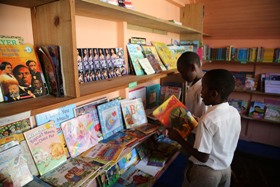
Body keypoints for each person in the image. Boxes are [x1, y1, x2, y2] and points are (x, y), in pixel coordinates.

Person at [166, 69, 241, 187]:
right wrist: (198, 121)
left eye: (203, 88)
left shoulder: (208, 119)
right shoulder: (234, 112)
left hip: (206, 173)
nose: (201, 93)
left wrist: (178, 138)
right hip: (226, 168)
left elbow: (202, 157)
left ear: (214, 93)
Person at [177, 51, 208, 145]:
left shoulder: (204, 90)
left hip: (198, 135)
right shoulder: (193, 84)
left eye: (182, 72)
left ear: (192, 67)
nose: (182, 76)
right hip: (190, 130)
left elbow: (205, 121)